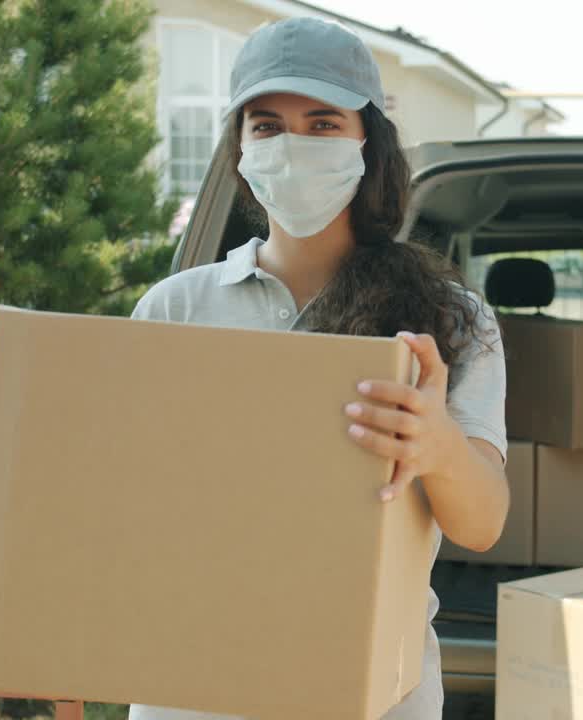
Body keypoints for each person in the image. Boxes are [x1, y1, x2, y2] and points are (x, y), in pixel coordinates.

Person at [127, 16, 509, 720]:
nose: (291, 146)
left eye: (323, 123)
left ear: (370, 142)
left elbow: (482, 523)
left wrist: (438, 446)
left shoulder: (449, 320)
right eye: (267, 125)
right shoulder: (174, 309)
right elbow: (123, 510)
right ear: (239, 147)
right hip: (195, 693)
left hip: (372, 695)